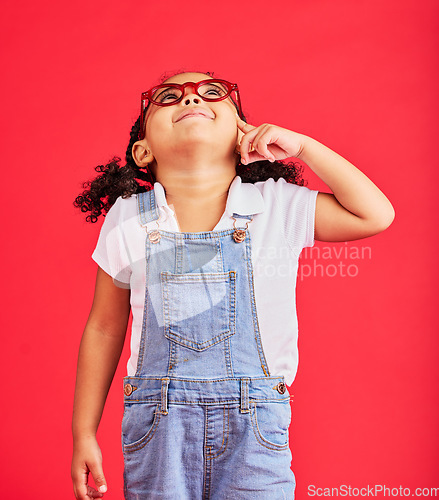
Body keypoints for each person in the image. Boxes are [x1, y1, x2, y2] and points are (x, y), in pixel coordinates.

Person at [71, 71, 394, 500]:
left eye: (211, 94)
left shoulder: (274, 205)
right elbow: (104, 327)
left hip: (254, 427)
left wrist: (304, 148)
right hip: (158, 428)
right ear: (142, 149)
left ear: (243, 136)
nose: (191, 99)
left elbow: (374, 215)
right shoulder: (128, 217)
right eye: (169, 97)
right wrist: (83, 431)